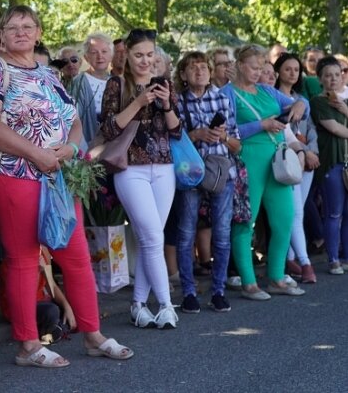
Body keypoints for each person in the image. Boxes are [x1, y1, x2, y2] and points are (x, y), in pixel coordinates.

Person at [0, 5, 133, 368]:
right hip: (16, 175)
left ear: (39, 32)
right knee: (24, 259)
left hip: (58, 176)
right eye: (12, 26)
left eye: (28, 25)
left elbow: (73, 120)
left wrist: (72, 148)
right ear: (1, 34)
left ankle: (93, 334)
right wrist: (37, 154)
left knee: (76, 256)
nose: (21, 32)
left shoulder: (48, 74)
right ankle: (28, 345)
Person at [100, 28, 181, 329]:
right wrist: (138, 102)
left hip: (164, 168)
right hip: (129, 168)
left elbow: (176, 131)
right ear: (127, 57)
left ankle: (137, 304)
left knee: (151, 240)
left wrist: (166, 104)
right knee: (153, 238)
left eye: (150, 54)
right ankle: (166, 306)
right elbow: (109, 129)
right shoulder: (116, 84)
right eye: (138, 55)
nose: (145, 61)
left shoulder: (165, 85)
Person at [219, 44, 307, 300]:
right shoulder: (227, 94)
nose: (259, 73)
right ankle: (248, 282)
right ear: (240, 66)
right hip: (247, 161)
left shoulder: (268, 91)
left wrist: (300, 105)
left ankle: (277, 277)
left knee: (284, 219)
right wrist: (261, 124)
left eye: (262, 68)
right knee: (246, 220)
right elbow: (227, 132)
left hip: (276, 161)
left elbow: (299, 105)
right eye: (254, 68)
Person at [172, 51, 240, 314]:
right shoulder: (177, 102)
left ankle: (218, 291)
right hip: (189, 173)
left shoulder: (223, 99)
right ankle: (188, 292)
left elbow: (237, 145)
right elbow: (171, 140)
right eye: (193, 68)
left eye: (204, 67)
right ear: (183, 75)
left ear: (211, 72)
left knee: (222, 234)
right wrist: (196, 134)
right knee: (186, 231)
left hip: (220, 172)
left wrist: (222, 138)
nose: (200, 71)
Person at [274, 53, 318, 283]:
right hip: (285, 160)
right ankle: (305, 262)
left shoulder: (303, 99)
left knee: (297, 211)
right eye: (287, 69)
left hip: (306, 159)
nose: (292, 73)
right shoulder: (272, 97)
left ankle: (289, 259)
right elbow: (284, 133)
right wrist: (304, 150)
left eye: (296, 69)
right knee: (294, 213)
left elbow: (309, 128)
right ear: (278, 71)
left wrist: (311, 151)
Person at [309, 56, 348, 275]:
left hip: (347, 161)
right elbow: (335, 129)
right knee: (334, 212)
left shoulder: (345, 101)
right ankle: (333, 258)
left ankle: (346, 256)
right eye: (327, 76)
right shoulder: (318, 101)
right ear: (320, 79)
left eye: (337, 74)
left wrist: (344, 109)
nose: (333, 79)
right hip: (332, 162)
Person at [70, 32, 113, 147]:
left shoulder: (117, 81)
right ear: (86, 57)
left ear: (111, 55)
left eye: (104, 51)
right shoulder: (79, 82)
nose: (100, 56)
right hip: (86, 147)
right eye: (94, 52)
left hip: (112, 147)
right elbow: (74, 120)